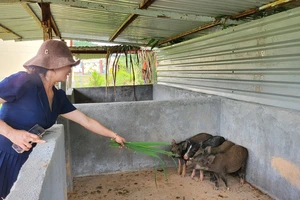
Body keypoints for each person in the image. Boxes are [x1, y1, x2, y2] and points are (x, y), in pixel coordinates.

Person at [0, 40, 126, 198]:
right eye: (68, 65)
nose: (70, 70)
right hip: (4, 154)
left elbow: (85, 120)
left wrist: (113, 135)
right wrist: (12, 134)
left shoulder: (58, 97)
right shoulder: (23, 81)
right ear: (54, 65)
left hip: (27, 158)